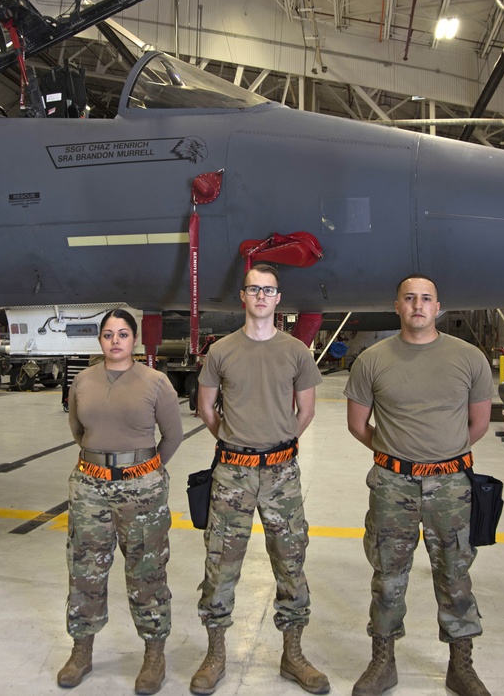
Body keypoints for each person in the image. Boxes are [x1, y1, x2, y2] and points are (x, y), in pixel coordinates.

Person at [343, 274, 494, 696]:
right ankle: (382, 662)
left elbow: (478, 423)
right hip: (393, 485)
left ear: (438, 306)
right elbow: (358, 424)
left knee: (455, 571)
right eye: (409, 298)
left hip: (451, 484)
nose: (418, 305)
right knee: (388, 572)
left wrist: (439, 456)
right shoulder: (372, 359)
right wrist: (398, 456)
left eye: (426, 298)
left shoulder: (469, 358)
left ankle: (461, 666)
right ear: (397, 306)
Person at [191, 263, 329, 696]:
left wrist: (278, 443)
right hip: (232, 472)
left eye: (269, 290)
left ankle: (293, 654)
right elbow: (206, 409)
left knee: (291, 563)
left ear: (278, 298)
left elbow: (305, 412)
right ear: (243, 296)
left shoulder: (296, 351)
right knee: (221, 563)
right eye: (254, 289)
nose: (262, 296)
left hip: (282, 474)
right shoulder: (221, 351)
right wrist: (236, 442)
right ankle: (215, 655)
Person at [57, 309, 183, 694]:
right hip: (89, 485)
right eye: (108, 334)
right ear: (100, 340)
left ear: (135, 340)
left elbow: (173, 436)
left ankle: (154, 654)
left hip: (141, 488)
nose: (115, 340)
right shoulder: (82, 380)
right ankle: (82, 650)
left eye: (123, 334)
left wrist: (142, 470)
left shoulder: (156, 382)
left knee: (147, 572)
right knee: (85, 570)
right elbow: (79, 430)